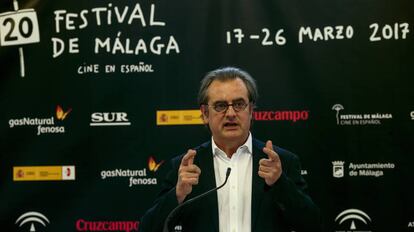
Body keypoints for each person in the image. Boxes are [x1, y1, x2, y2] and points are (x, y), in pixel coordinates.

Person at [140, 67, 323, 232]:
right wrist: (178, 193)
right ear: (205, 114)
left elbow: (313, 225)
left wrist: (280, 183)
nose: (230, 113)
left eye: (239, 104)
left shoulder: (282, 162)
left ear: (251, 110)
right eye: (220, 106)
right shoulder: (187, 167)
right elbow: (148, 228)